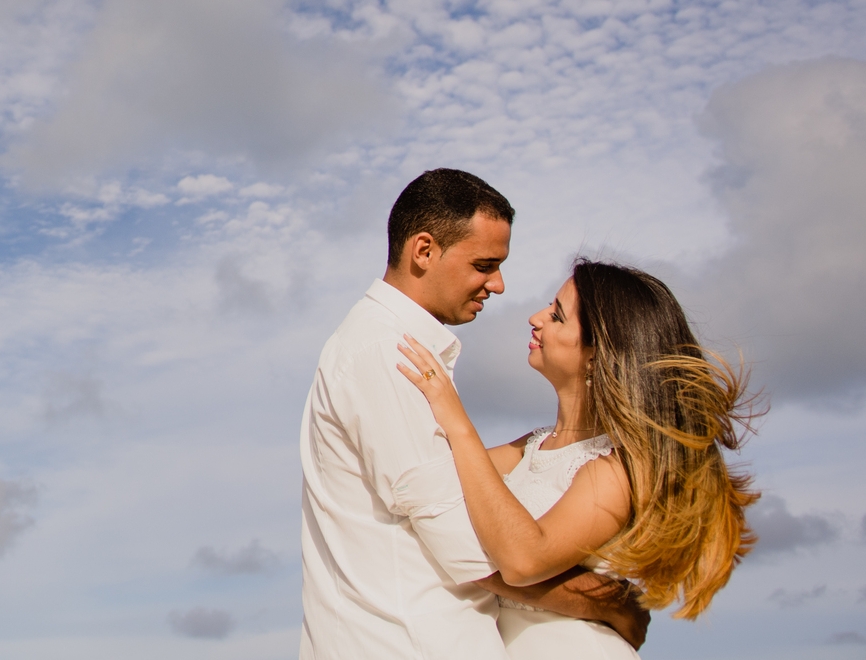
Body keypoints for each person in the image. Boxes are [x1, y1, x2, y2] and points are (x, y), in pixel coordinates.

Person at [300, 169, 649, 660]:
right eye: (484, 264)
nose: (500, 285)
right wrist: (614, 604)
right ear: (423, 251)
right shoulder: (387, 354)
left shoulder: (406, 356)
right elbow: (472, 551)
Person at [397, 259, 759, 659]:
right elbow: (428, 482)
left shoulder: (616, 468)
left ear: (595, 355)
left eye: (557, 316)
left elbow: (523, 558)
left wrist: (456, 418)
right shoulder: (530, 448)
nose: (535, 319)